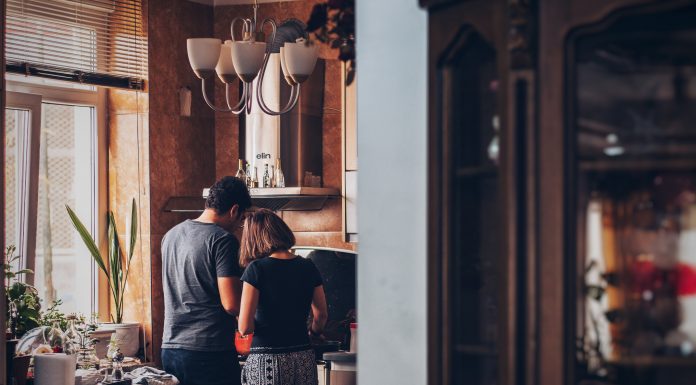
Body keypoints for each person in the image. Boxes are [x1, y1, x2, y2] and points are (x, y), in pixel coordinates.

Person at [161, 176, 252, 385]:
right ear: (234, 210)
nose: (239, 225)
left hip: (171, 347)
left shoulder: (171, 235)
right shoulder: (222, 240)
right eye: (242, 219)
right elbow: (231, 304)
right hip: (209, 351)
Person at [237, 209, 328, 385]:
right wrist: (314, 332)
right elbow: (321, 315)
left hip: (267, 360)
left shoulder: (256, 269)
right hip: (303, 356)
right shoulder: (308, 266)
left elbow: (245, 327)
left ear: (253, 238)